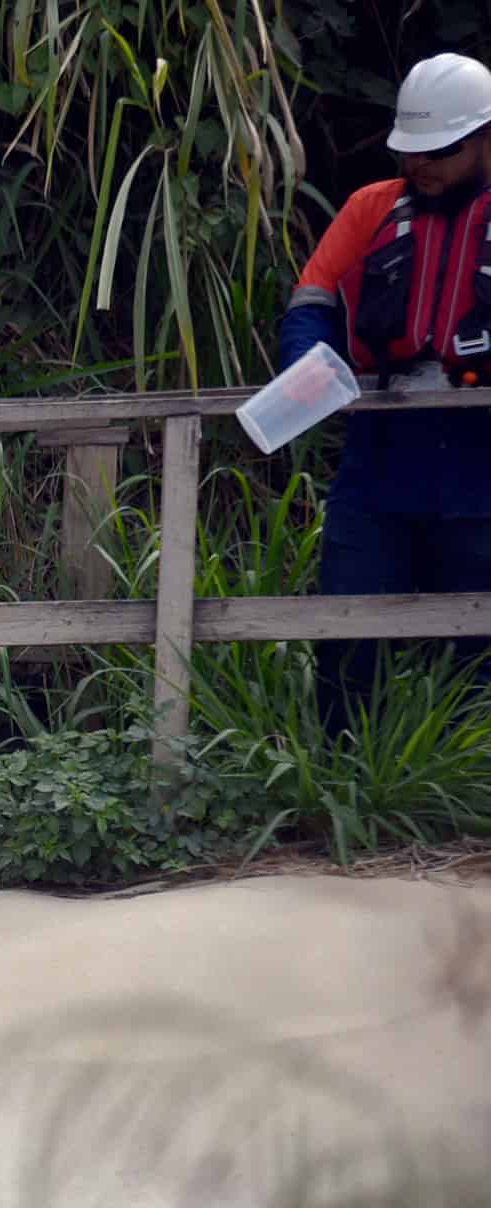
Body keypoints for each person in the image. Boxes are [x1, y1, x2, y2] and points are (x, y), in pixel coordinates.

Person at [278, 51, 491, 733]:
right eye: (412, 151)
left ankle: (466, 789)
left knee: (478, 642)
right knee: (348, 623)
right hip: (381, 451)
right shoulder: (370, 209)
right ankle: (345, 781)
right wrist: (305, 374)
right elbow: (312, 302)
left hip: (481, 457)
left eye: (442, 151)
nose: (421, 166)